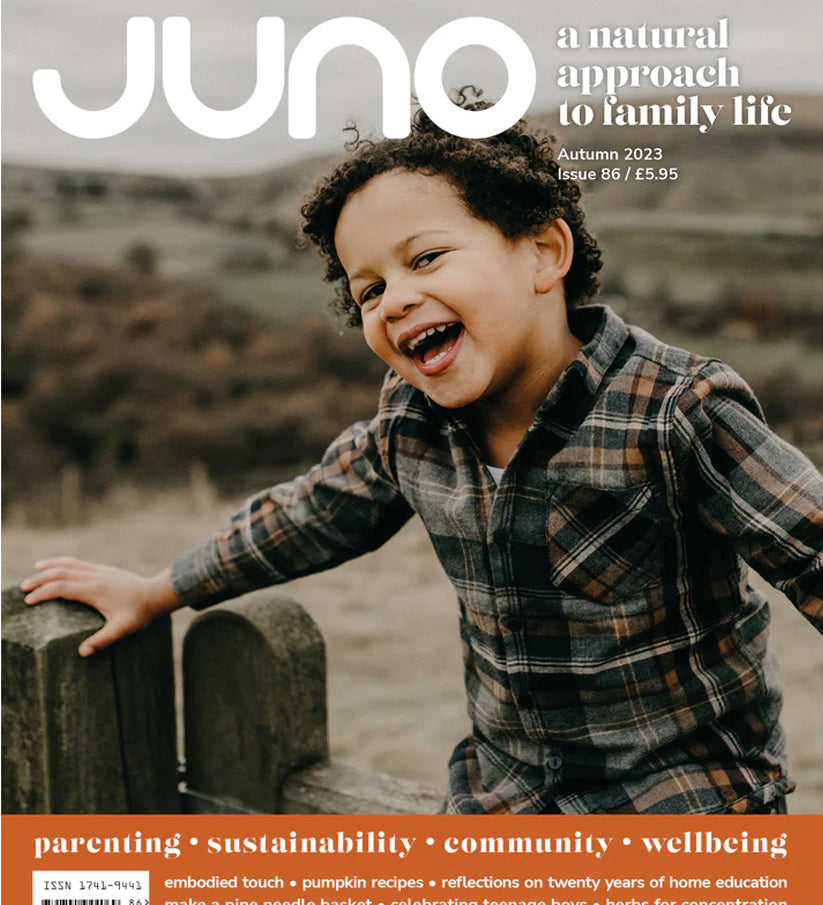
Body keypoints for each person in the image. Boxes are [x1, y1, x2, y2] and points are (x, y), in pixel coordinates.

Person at [21, 101, 822, 815]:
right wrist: (160, 588)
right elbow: (310, 513)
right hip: (504, 798)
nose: (394, 298)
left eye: (425, 258)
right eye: (367, 290)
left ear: (544, 253)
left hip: (682, 802)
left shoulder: (674, 410)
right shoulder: (411, 424)